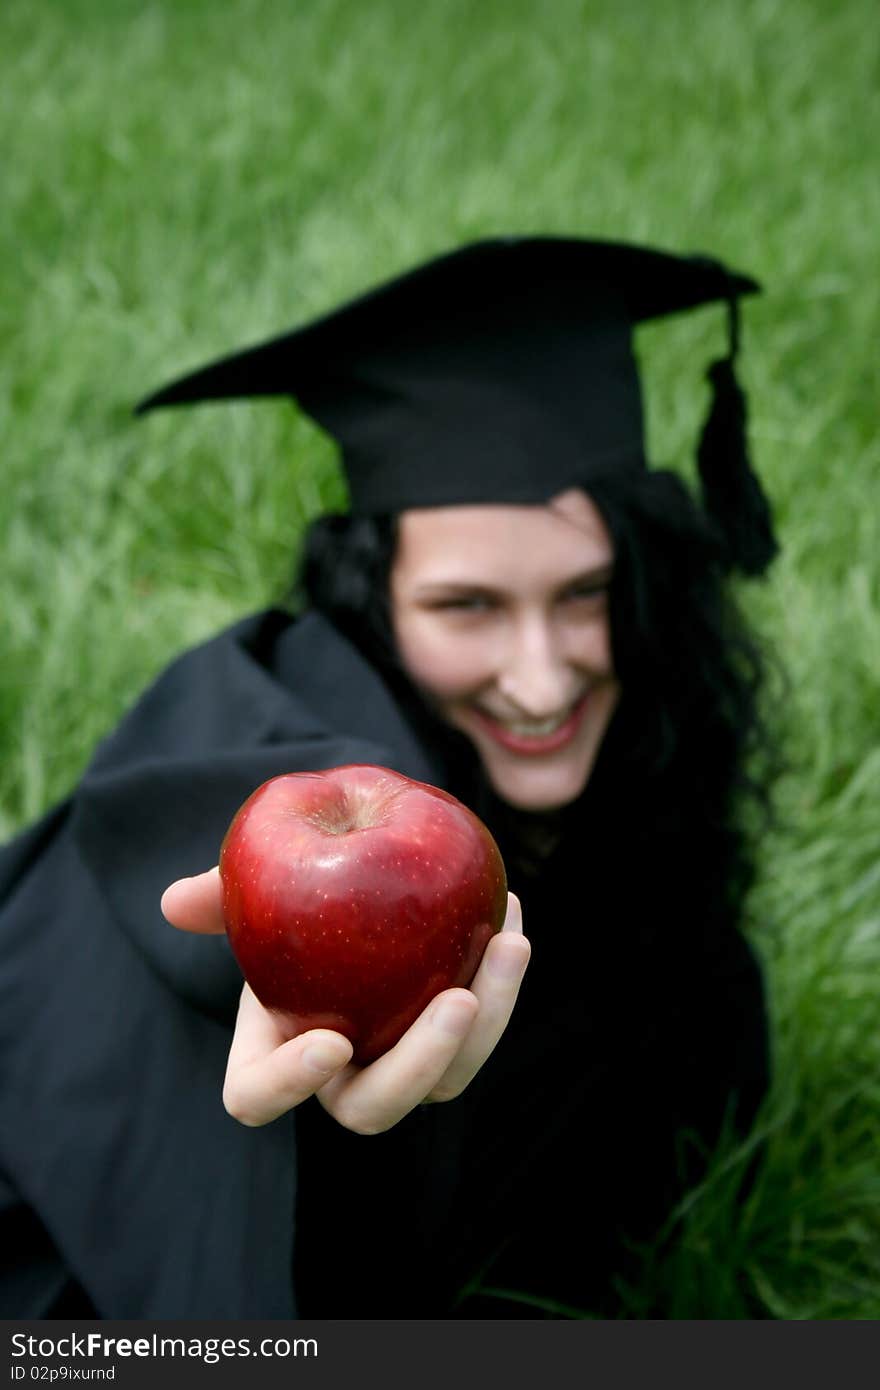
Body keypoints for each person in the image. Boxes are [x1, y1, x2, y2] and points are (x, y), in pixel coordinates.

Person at [0, 237, 779, 1319]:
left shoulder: (651, 783)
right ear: (376, 598)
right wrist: (309, 961)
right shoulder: (281, 717)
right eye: (468, 606)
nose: (541, 675)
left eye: (585, 593)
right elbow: (227, 801)